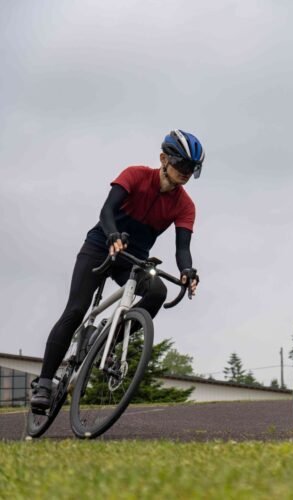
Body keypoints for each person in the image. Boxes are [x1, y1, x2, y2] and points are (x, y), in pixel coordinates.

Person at [30, 129, 204, 412]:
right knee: (75, 310)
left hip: (134, 259)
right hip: (101, 245)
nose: (186, 173)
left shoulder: (185, 205)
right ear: (163, 159)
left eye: (192, 169)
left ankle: (107, 343)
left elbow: (182, 248)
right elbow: (106, 211)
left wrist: (187, 270)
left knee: (157, 290)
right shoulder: (135, 175)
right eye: (182, 165)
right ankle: (45, 382)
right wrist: (112, 235)